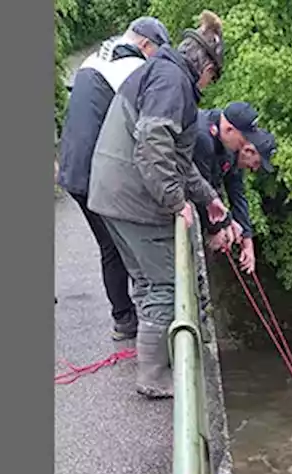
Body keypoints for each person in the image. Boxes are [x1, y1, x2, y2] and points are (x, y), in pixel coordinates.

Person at [87, 11, 229, 399]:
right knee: (164, 282)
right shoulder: (172, 82)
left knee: (149, 282)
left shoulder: (167, 75)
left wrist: (210, 199)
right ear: (206, 69)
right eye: (213, 78)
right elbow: (153, 147)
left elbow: (179, 162)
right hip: (131, 198)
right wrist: (176, 201)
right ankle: (153, 375)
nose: (210, 86)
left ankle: (155, 363)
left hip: (111, 192)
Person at [56, 17, 171, 341]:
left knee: (110, 243)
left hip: (72, 167)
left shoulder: (97, 59)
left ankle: (126, 317)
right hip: (94, 171)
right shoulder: (131, 68)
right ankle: (129, 319)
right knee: (118, 243)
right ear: (146, 45)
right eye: (157, 54)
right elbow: (146, 127)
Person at [192, 101, 277, 275]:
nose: (254, 169)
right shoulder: (204, 138)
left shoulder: (229, 146)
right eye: (257, 164)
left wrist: (247, 240)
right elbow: (201, 189)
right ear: (249, 151)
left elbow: (237, 193)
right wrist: (218, 227)